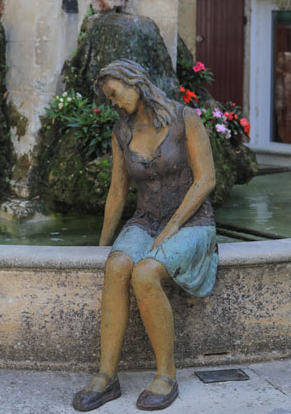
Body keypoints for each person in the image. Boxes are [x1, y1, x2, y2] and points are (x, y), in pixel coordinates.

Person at [73, 59, 218, 411]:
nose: (113, 102)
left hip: (192, 222)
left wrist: (172, 227)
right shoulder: (121, 131)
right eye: (108, 98)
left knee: (146, 272)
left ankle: (166, 375)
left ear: (134, 82)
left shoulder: (185, 118)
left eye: (114, 94)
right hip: (145, 219)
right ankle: (107, 377)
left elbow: (206, 180)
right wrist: (104, 244)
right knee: (117, 265)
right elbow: (117, 192)